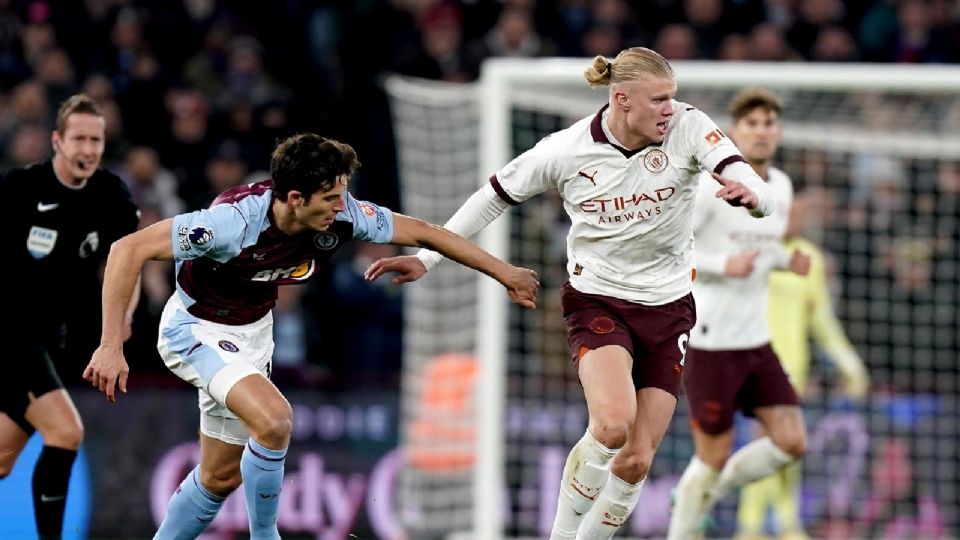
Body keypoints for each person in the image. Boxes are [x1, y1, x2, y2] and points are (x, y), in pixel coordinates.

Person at [365, 47, 776, 540]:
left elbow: (744, 175)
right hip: (598, 300)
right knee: (611, 427)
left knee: (637, 460)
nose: (671, 108)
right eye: (659, 99)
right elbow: (490, 198)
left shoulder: (689, 127)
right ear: (622, 100)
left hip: (669, 308)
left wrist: (754, 200)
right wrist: (427, 257)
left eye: (673, 97)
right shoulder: (565, 150)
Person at [82, 133, 539, 540]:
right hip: (195, 329)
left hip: (253, 334)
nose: (344, 207)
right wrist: (109, 343)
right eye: (332, 198)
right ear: (295, 198)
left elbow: (425, 232)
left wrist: (505, 272)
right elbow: (129, 248)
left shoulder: (344, 216)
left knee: (220, 477)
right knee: (276, 421)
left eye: (343, 194)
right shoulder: (231, 224)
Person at [667, 88, 811, 540]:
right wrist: (720, 266)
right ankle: (685, 523)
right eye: (752, 123)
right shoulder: (711, 189)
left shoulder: (781, 187)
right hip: (711, 340)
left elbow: (762, 249)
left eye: (769, 123)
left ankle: (708, 493)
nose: (762, 131)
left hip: (756, 339)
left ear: (778, 131)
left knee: (791, 441)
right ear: (733, 132)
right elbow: (670, 252)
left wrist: (787, 260)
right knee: (712, 453)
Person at [0, 94, 140, 540]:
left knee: (2, 459)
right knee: (66, 431)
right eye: (78, 138)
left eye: (95, 140)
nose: (88, 149)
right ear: (57, 141)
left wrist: (122, 318)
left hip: (50, 342)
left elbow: (128, 264)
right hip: (8, 334)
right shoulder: (20, 189)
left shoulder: (112, 196)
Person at [736, 186, 869, 540]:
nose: (793, 219)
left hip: (795, 366)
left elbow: (822, 321)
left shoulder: (809, 258)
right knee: (768, 440)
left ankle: (773, 523)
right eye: (786, 211)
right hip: (754, 358)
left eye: (799, 213)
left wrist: (849, 365)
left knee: (783, 443)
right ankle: (764, 524)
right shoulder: (752, 250)